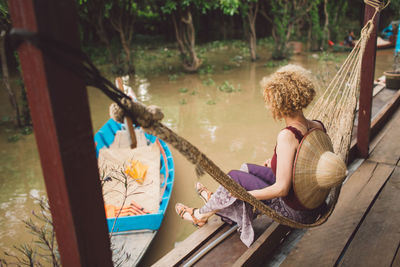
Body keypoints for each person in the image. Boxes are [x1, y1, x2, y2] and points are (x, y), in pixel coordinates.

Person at [175, 65, 331, 247]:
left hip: (296, 210)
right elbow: (305, 162)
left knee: (234, 178)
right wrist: (277, 161)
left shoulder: (288, 135)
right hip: (311, 200)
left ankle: (200, 215)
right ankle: (216, 202)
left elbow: (281, 189)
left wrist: (247, 196)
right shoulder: (317, 126)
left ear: (278, 104)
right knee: (246, 168)